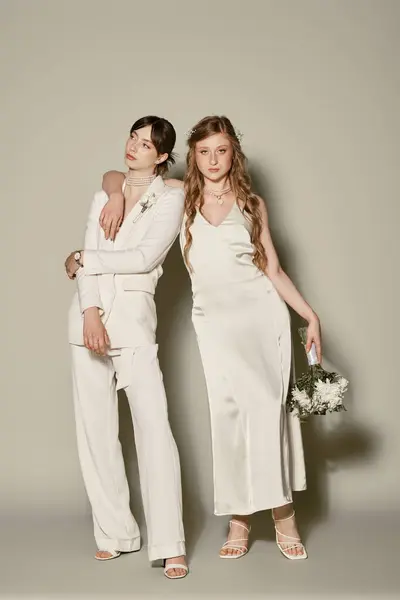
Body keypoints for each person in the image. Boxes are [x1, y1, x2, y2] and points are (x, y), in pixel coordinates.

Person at [100, 115, 322, 561]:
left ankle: (282, 513)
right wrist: (112, 195)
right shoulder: (181, 197)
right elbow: (117, 175)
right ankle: (239, 517)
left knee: (266, 414)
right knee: (227, 417)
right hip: (214, 325)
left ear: (233, 152)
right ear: (193, 157)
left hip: (262, 319)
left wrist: (310, 317)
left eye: (221, 150)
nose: (213, 159)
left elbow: (272, 270)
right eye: (203, 152)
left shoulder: (252, 203)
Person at [64, 116, 188, 579]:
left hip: (135, 326)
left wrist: (81, 259)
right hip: (87, 321)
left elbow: (144, 259)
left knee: (154, 431)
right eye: (132, 138)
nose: (134, 146)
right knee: (96, 434)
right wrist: (89, 311)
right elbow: (90, 249)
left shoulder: (173, 197)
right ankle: (115, 533)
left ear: (161, 156)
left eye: (146, 143)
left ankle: (169, 543)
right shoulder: (104, 193)